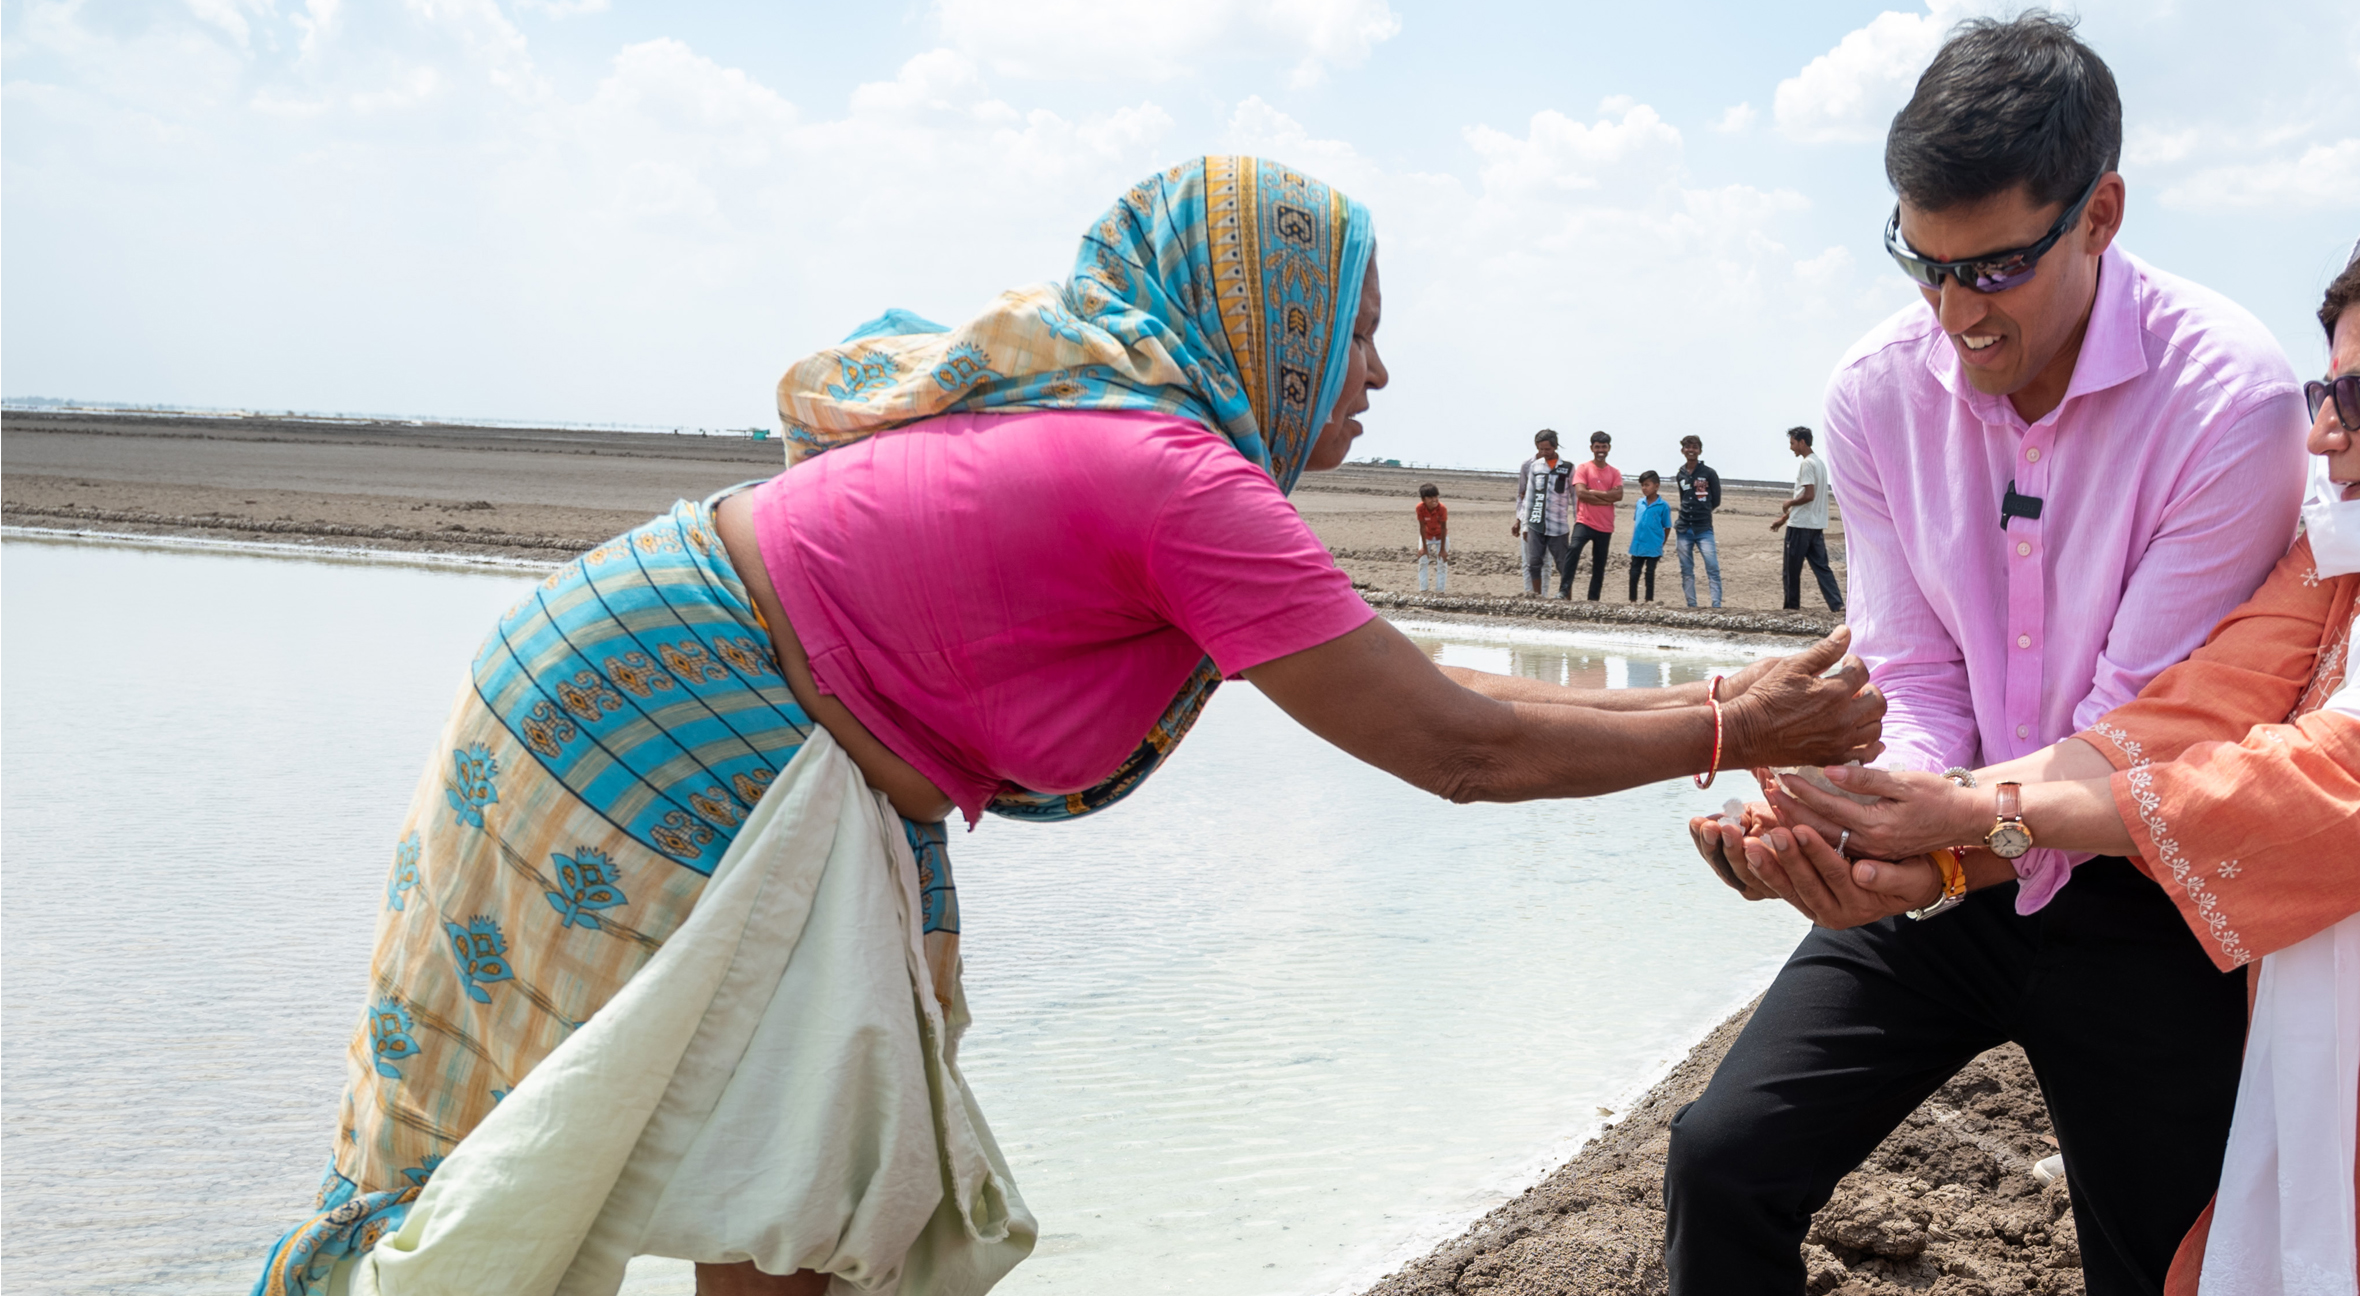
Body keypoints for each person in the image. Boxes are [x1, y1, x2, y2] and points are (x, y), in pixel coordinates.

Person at [257, 156, 1889, 1296]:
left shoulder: (1151, 442)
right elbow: (1451, 745)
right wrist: (1735, 723)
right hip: (668, 709)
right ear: (1276, 312)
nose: (1382, 367)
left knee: (804, 1162)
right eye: (1361, 321)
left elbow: (1439, 699)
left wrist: (1743, 711)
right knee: (481, 1170)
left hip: (731, 706)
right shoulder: (1170, 477)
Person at [1755, 215, 2360, 1295]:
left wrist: (1967, 823)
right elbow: (2192, 714)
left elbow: (2319, 785)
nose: (2323, 438)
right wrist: (1939, 810)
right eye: (2325, 398)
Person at [1665, 16, 2310, 1294]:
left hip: (2143, 879)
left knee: (2168, 1250)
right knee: (1720, 1156)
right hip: (1948, 856)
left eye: (1998, 267)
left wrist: (1939, 842)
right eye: (1925, 264)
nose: (1957, 310)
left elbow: (2143, 730)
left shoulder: (2229, 398)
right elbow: (1914, 674)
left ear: (2101, 213)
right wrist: (1844, 822)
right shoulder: (1874, 391)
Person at [1768, 426, 1844, 612]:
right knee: (1822, 568)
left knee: (1791, 570)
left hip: (1801, 527)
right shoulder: (1819, 463)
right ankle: (1837, 604)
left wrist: (1788, 503)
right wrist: (1784, 518)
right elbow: (1810, 500)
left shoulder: (1807, 464)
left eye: (1792, 443)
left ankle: (1791, 608)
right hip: (1815, 525)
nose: (1791, 447)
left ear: (1802, 442)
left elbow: (1808, 495)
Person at [1560, 430, 1624, 600]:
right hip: (1585, 521)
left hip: (1605, 525)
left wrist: (1594, 493)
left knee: (1599, 563)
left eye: (1604, 446)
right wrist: (1605, 496)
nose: (1600, 450)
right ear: (1592, 448)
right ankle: (1563, 590)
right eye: (1597, 447)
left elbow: (1618, 495)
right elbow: (1581, 493)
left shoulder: (1614, 472)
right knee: (1573, 550)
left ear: (1609, 448)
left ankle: (1593, 599)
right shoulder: (1583, 468)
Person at [1513, 429, 1573, 597]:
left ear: (1554, 447)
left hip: (1557, 524)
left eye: (1547, 449)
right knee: (1532, 562)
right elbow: (1525, 496)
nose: (1543, 453)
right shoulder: (1530, 466)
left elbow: (1572, 495)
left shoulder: (1566, 467)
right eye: (1540, 449)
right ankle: (1534, 595)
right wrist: (1522, 522)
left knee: (1558, 563)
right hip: (1534, 521)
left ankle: (1559, 597)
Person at [1672, 435, 1725, 607]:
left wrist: (1702, 512)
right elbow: (1684, 498)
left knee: (1712, 567)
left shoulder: (1709, 473)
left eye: (1694, 447)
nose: (1691, 450)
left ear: (1700, 450)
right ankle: (1691, 605)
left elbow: (1715, 500)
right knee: (1686, 570)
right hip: (1684, 529)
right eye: (1688, 447)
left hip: (1703, 529)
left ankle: (1716, 606)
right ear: (1682, 450)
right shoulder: (1680, 474)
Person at [1627, 470, 1671, 602]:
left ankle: (1648, 600)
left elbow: (1667, 526)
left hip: (1653, 545)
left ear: (1656, 486)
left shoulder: (1663, 506)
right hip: (1638, 545)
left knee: (1650, 573)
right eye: (1642, 485)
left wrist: (1661, 542)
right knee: (1634, 572)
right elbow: (1638, 522)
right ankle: (1632, 600)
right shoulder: (1639, 503)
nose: (1644, 488)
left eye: (1647, 485)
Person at [1416, 482, 1450, 593]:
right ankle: (1423, 590)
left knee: (1442, 563)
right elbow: (1422, 527)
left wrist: (1443, 550)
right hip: (1427, 535)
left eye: (1435, 496)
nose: (1434, 500)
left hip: (1441, 536)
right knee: (1423, 560)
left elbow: (1444, 528)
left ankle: (1440, 591)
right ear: (1423, 499)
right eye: (1430, 497)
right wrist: (1424, 548)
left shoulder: (1442, 509)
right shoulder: (1420, 508)